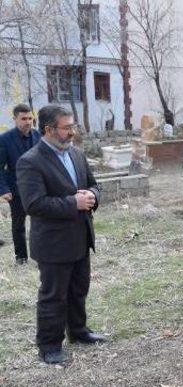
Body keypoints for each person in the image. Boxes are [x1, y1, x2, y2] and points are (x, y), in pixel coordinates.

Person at [16, 105, 104, 364]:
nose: (72, 132)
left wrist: (93, 196)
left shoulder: (76, 154)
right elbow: (33, 204)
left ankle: (78, 331)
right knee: (54, 296)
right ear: (49, 130)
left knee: (79, 288)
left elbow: (93, 184)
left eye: (73, 126)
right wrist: (72, 203)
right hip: (53, 243)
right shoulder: (30, 161)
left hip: (80, 236)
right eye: (67, 128)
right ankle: (49, 345)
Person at [0, 103, 41, 264]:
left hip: (38, 188)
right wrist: (3, 189)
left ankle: (40, 254)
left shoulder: (38, 136)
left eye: (30, 118)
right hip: (16, 190)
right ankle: (21, 258)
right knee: (18, 225)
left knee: (40, 223)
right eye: (23, 118)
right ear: (15, 119)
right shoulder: (4, 139)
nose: (28, 121)